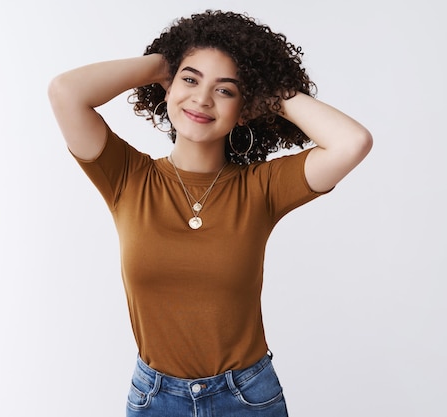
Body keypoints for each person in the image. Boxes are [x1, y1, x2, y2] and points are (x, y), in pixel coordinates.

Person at [48, 10, 372, 417]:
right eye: (190, 79)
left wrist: (270, 93)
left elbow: (352, 142)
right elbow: (65, 92)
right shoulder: (128, 177)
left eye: (226, 90)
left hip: (247, 398)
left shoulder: (261, 188)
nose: (201, 99)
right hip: (154, 399)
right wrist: (164, 62)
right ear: (166, 89)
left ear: (246, 108)